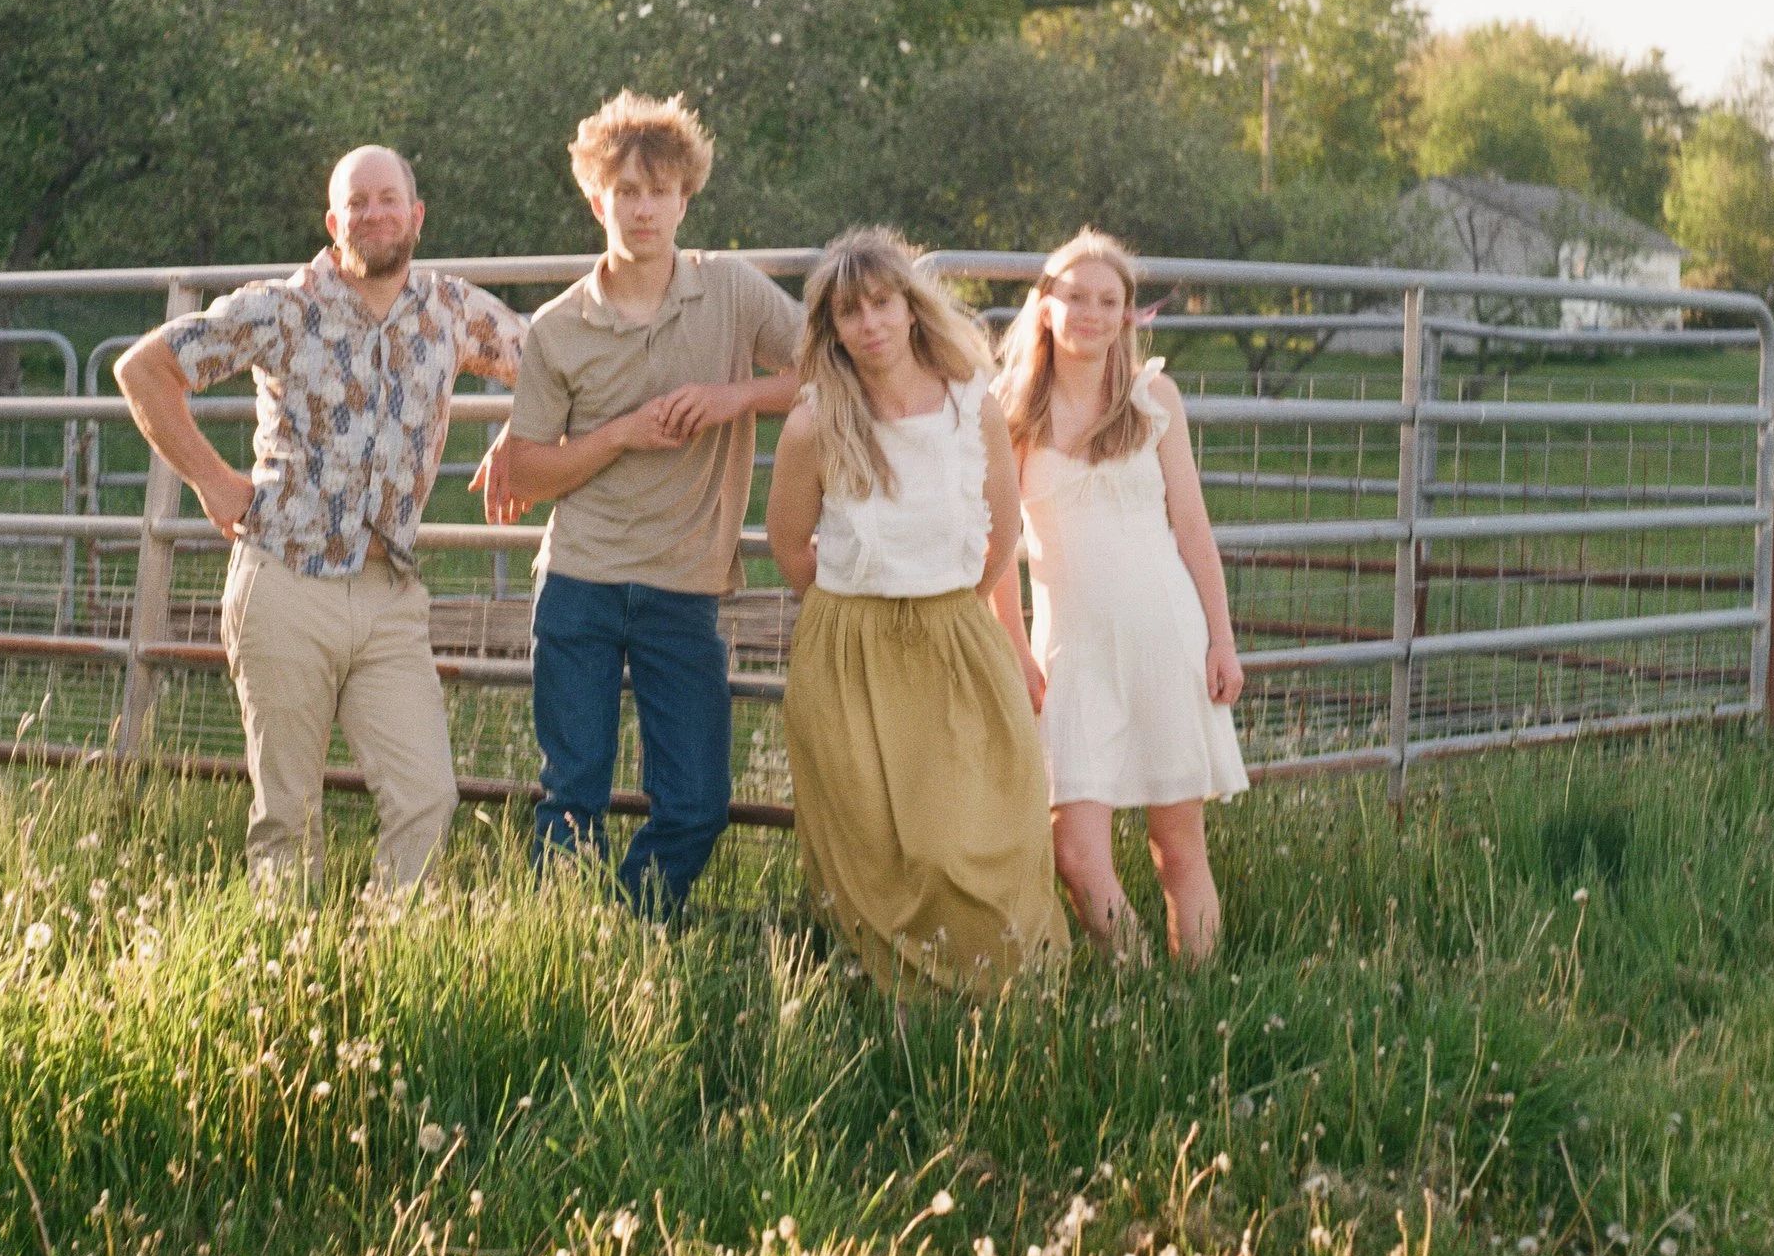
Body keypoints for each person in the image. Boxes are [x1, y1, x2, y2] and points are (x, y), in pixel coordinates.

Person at [114, 145, 525, 889]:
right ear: (335, 221)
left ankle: (393, 968)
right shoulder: (280, 304)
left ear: (416, 215)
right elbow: (144, 368)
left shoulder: (453, 310)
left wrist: (518, 435)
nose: (375, 214)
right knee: (287, 814)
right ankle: (286, 979)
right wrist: (211, 480)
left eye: (388, 199)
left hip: (388, 591)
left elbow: (551, 365)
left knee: (427, 795)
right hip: (284, 581)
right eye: (357, 203)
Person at [473, 93, 802, 916]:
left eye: (659, 190)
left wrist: (738, 397)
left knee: (695, 802)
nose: (643, 207)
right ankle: (564, 956)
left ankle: (628, 931)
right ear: (597, 200)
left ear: (686, 197)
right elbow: (533, 474)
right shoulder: (556, 327)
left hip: (683, 587)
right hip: (579, 581)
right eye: (625, 191)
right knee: (571, 795)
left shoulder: (732, 290)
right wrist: (620, 433)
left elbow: (829, 372)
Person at [763, 227, 1067, 996]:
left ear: (909, 307)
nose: (868, 324)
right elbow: (791, 544)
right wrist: (858, 608)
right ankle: (900, 1008)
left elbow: (1001, 530)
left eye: (881, 303)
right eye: (848, 312)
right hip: (849, 646)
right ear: (830, 327)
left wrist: (947, 605)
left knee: (965, 834)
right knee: (872, 842)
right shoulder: (815, 421)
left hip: (952, 636)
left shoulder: (972, 408)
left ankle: (1002, 994)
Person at [991, 227, 1245, 965]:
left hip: (1166, 634)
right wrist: (1015, 650)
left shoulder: (1151, 396)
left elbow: (1193, 527)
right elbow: (997, 549)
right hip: (1070, 651)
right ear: (1044, 306)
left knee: (1177, 846)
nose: (1092, 313)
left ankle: (1194, 1000)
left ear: (1130, 314)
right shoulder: (1009, 410)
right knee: (1073, 849)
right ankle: (1134, 976)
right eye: (1076, 297)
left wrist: (1221, 638)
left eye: (1110, 300)